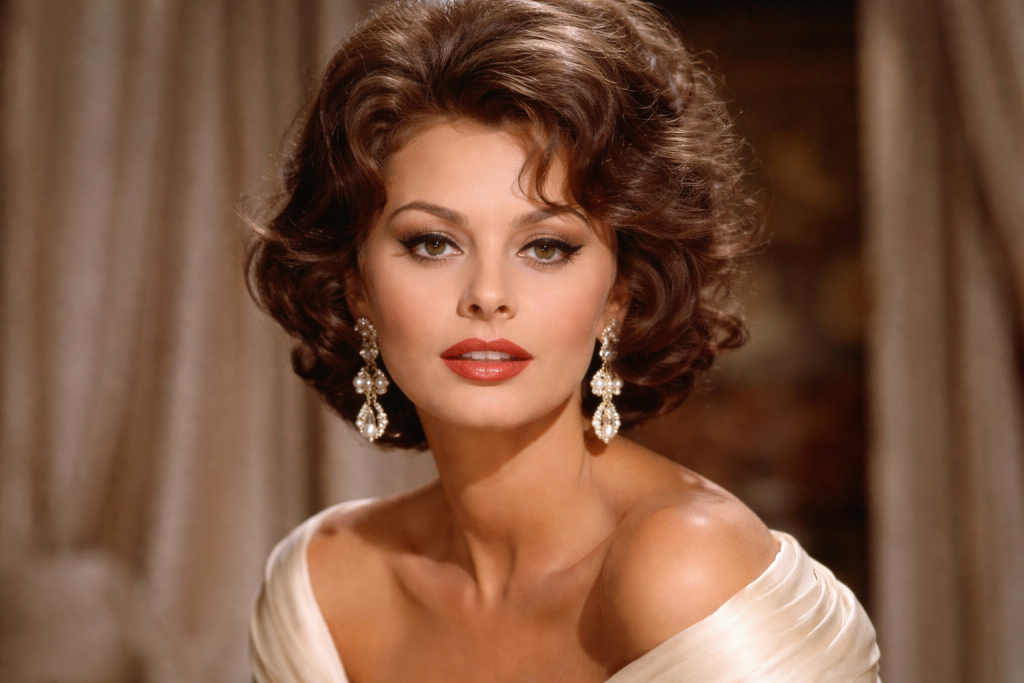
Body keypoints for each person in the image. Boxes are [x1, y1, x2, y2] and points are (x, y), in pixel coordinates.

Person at [246, 0, 881, 681]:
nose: (488, 294)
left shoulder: (684, 572)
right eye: (432, 243)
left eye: (546, 247)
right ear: (356, 284)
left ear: (620, 292)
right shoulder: (326, 585)